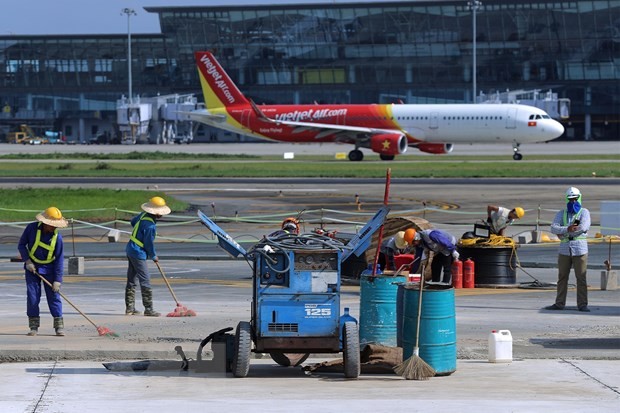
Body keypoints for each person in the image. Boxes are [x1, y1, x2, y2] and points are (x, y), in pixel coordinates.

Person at [18, 206, 68, 336]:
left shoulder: (58, 239)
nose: (53, 228)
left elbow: (59, 260)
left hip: (50, 270)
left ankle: (59, 327)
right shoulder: (31, 229)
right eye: (51, 225)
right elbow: (21, 245)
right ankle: (33, 327)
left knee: (54, 297)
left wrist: (57, 280)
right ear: (45, 222)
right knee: (33, 297)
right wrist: (27, 261)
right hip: (32, 268)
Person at [546, 187, 591, 312]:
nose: (573, 202)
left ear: (579, 198)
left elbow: (583, 227)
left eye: (575, 199)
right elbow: (553, 228)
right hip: (565, 250)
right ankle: (559, 303)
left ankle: (582, 304)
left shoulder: (584, 212)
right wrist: (567, 229)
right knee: (562, 277)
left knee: (581, 278)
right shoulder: (562, 213)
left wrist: (566, 232)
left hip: (580, 250)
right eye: (570, 199)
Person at [125, 196, 171, 317]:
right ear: (157, 214)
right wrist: (154, 256)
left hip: (130, 249)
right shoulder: (150, 226)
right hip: (138, 252)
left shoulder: (142, 215)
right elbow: (148, 244)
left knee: (131, 280)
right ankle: (148, 308)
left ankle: (130, 308)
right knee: (145, 279)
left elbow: (132, 222)